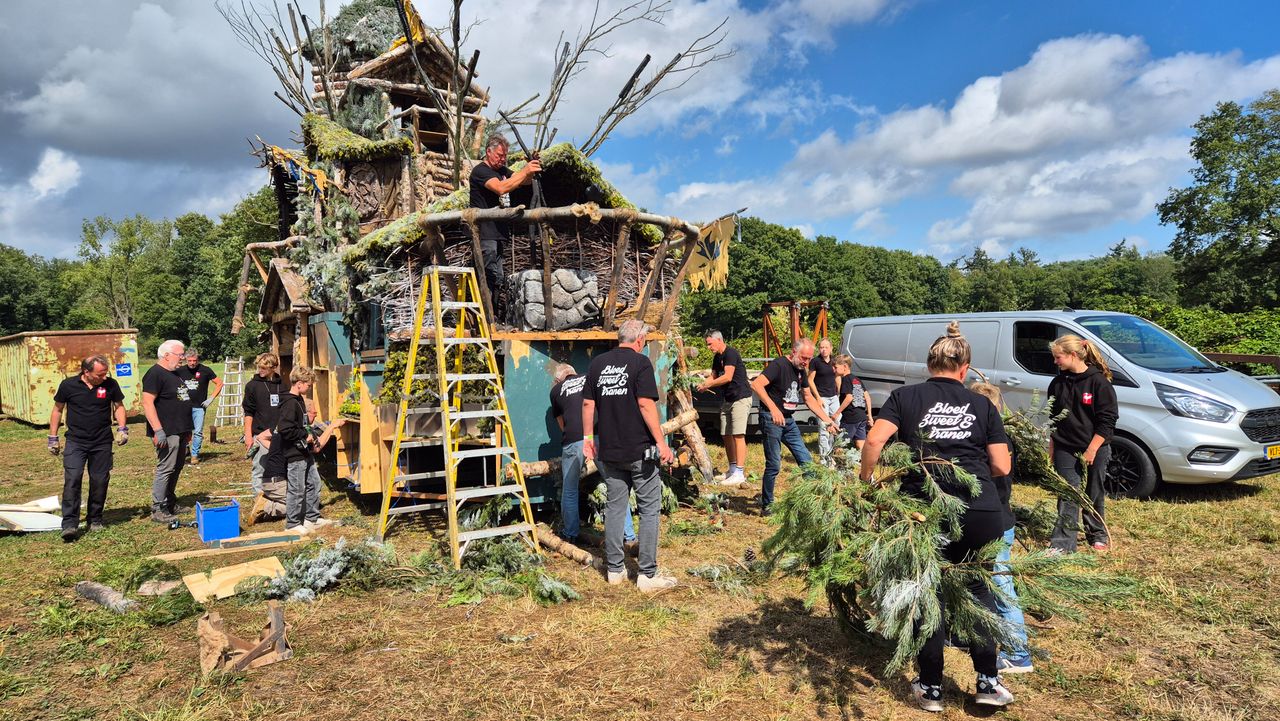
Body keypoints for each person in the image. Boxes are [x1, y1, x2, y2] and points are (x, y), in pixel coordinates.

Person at [859, 321, 1015, 711]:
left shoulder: (904, 396)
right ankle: (987, 683)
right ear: (965, 369)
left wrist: (866, 480)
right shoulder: (982, 403)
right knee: (979, 591)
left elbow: (875, 440)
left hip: (923, 510)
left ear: (929, 364)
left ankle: (930, 689)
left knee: (927, 594)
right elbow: (1000, 464)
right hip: (980, 510)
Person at [582, 320, 676, 593]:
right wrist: (662, 443)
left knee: (615, 508)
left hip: (609, 451)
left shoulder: (598, 364)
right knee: (648, 511)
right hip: (639, 451)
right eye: (644, 340)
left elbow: (588, 403)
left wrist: (588, 439)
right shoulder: (640, 363)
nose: (644, 344)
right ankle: (647, 574)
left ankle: (615, 570)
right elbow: (646, 404)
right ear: (638, 340)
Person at [970, 381, 1034, 674]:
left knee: (1000, 585)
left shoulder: (991, 443)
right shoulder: (998, 437)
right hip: (994, 520)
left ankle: (1017, 652)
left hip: (997, 522)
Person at [550, 363, 637, 550]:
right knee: (616, 485)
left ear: (559, 379)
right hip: (600, 436)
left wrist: (576, 442)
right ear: (574, 373)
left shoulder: (556, 390)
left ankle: (570, 535)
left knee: (570, 489)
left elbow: (561, 423)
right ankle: (629, 535)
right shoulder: (591, 378)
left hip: (574, 440)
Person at [749, 338, 840, 516]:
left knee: (807, 462)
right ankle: (767, 506)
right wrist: (773, 409)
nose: (806, 362)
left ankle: (811, 502)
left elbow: (808, 398)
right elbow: (756, 385)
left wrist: (827, 420)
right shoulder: (779, 365)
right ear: (794, 353)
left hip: (789, 421)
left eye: (808, 359)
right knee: (774, 464)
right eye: (804, 358)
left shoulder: (801, 371)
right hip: (771, 419)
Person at [1047, 334, 1119, 553]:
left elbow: (1107, 422)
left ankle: (1097, 533)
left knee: (1093, 492)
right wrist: (1051, 447)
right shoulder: (1057, 383)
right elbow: (1053, 417)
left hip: (1095, 447)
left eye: (1058, 357)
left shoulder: (1099, 383)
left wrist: (1092, 449)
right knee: (1069, 493)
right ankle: (1062, 544)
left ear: (1072, 355)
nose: (1055, 362)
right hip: (1064, 446)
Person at [48, 355, 128, 540]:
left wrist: (123, 428)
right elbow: (57, 409)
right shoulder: (69, 385)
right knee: (73, 479)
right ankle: (69, 524)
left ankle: (95, 519)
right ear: (86, 372)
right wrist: (53, 437)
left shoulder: (110, 384)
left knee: (99, 480)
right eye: (100, 374)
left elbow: (119, 406)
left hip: (102, 442)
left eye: (106, 373)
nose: (104, 377)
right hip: (76, 441)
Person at [263, 366, 345, 531]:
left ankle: (311, 518)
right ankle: (292, 524)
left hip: (304, 452)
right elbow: (285, 429)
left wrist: (310, 435)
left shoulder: (299, 400)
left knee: (314, 483)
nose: (309, 388)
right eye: (308, 385)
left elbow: (302, 425)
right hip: (294, 453)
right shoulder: (289, 403)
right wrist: (303, 436)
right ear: (299, 383)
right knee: (297, 488)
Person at [469, 134, 542, 305]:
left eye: (505, 156)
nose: (503, 159)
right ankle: (484, 318)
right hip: (484, 232)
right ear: (488, 152)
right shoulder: (481, 171)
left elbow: (522, 181)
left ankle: (492, 316)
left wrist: (529, 169)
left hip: (499, 231)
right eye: (499, 155)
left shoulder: (502, 171)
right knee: (487, 274)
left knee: (498, 277)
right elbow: (501, 188)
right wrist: (525, 171)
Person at [143, 340, 195, 523]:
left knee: (177, 466)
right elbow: (147, 403)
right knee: (166, 467)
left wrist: (188, 429)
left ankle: (170, 502)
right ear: (166, 355)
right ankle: (158, 508)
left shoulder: (176, 374)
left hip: (181, 430)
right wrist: (158, 430)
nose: (183, 358)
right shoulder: (155, 374)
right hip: (167, 430)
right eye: (180, 355)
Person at [695, 331, 750, 487]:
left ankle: (739, 473)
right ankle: (732, 469)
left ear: (719, 340)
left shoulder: (730, 353)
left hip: (740, 397)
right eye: (707, 344)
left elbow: (728, 376)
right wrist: (703, 384)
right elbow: (713, 376)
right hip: (728, 398)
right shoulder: (717, 357)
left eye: (710, 343)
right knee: (726, 434)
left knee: (738, 434)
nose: (708, 347)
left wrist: (708, 384)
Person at [243, 353, 285, 494]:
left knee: (280, 468)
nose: (260, 370)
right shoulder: (252, 386)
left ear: (273, 368)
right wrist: (248, 435)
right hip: (259, 434)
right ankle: (259, 502)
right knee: (259, 468)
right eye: (259, 367)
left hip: (279, 434)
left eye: (264, 368)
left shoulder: (283, 385)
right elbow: (248, 412)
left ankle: (278, 498)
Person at [175, 349, 222, 467]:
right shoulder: (179, 371)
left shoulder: (205, 370)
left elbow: (219, 383)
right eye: (189, 361)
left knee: (198, 431)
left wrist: (211, 398)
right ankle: (184, 449)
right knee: (184, 431)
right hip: (183, 406)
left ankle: (194, 455)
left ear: (198, 360)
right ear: (186, 360)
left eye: (194, 361)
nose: (192, 363)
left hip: (199, 407)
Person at [807, 338, 842, 458]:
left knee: (836, 424)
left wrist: (840, 392)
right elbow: (810, 380)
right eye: (821, 347)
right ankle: (824, 457)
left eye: (826, 347)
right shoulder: (815, 362)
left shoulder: (834, 361)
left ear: (831, 348)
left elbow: (837, 377)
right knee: (824, 426)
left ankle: (832, 452)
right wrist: (817, 397)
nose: (823, 350)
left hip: (834, 397)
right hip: (822, 397)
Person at [832, 354, 873, 450]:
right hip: (861, 417)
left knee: (839, 445)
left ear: (845, 366)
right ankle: (863, 463)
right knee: (860, 444)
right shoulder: (856, 379)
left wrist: (837, 413)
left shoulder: (846, 379)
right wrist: (869, 415)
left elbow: (849, 398)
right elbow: (867, 397)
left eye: (836, 367)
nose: (834, 369)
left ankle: (837, 464)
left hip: (850, 418)